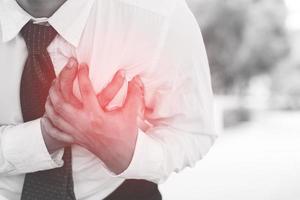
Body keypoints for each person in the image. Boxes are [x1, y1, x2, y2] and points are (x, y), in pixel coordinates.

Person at [0, 0, 218, 199]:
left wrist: (128, 153)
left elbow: (192, 130)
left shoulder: (158, 14)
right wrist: (43, 138)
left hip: (121, 191)